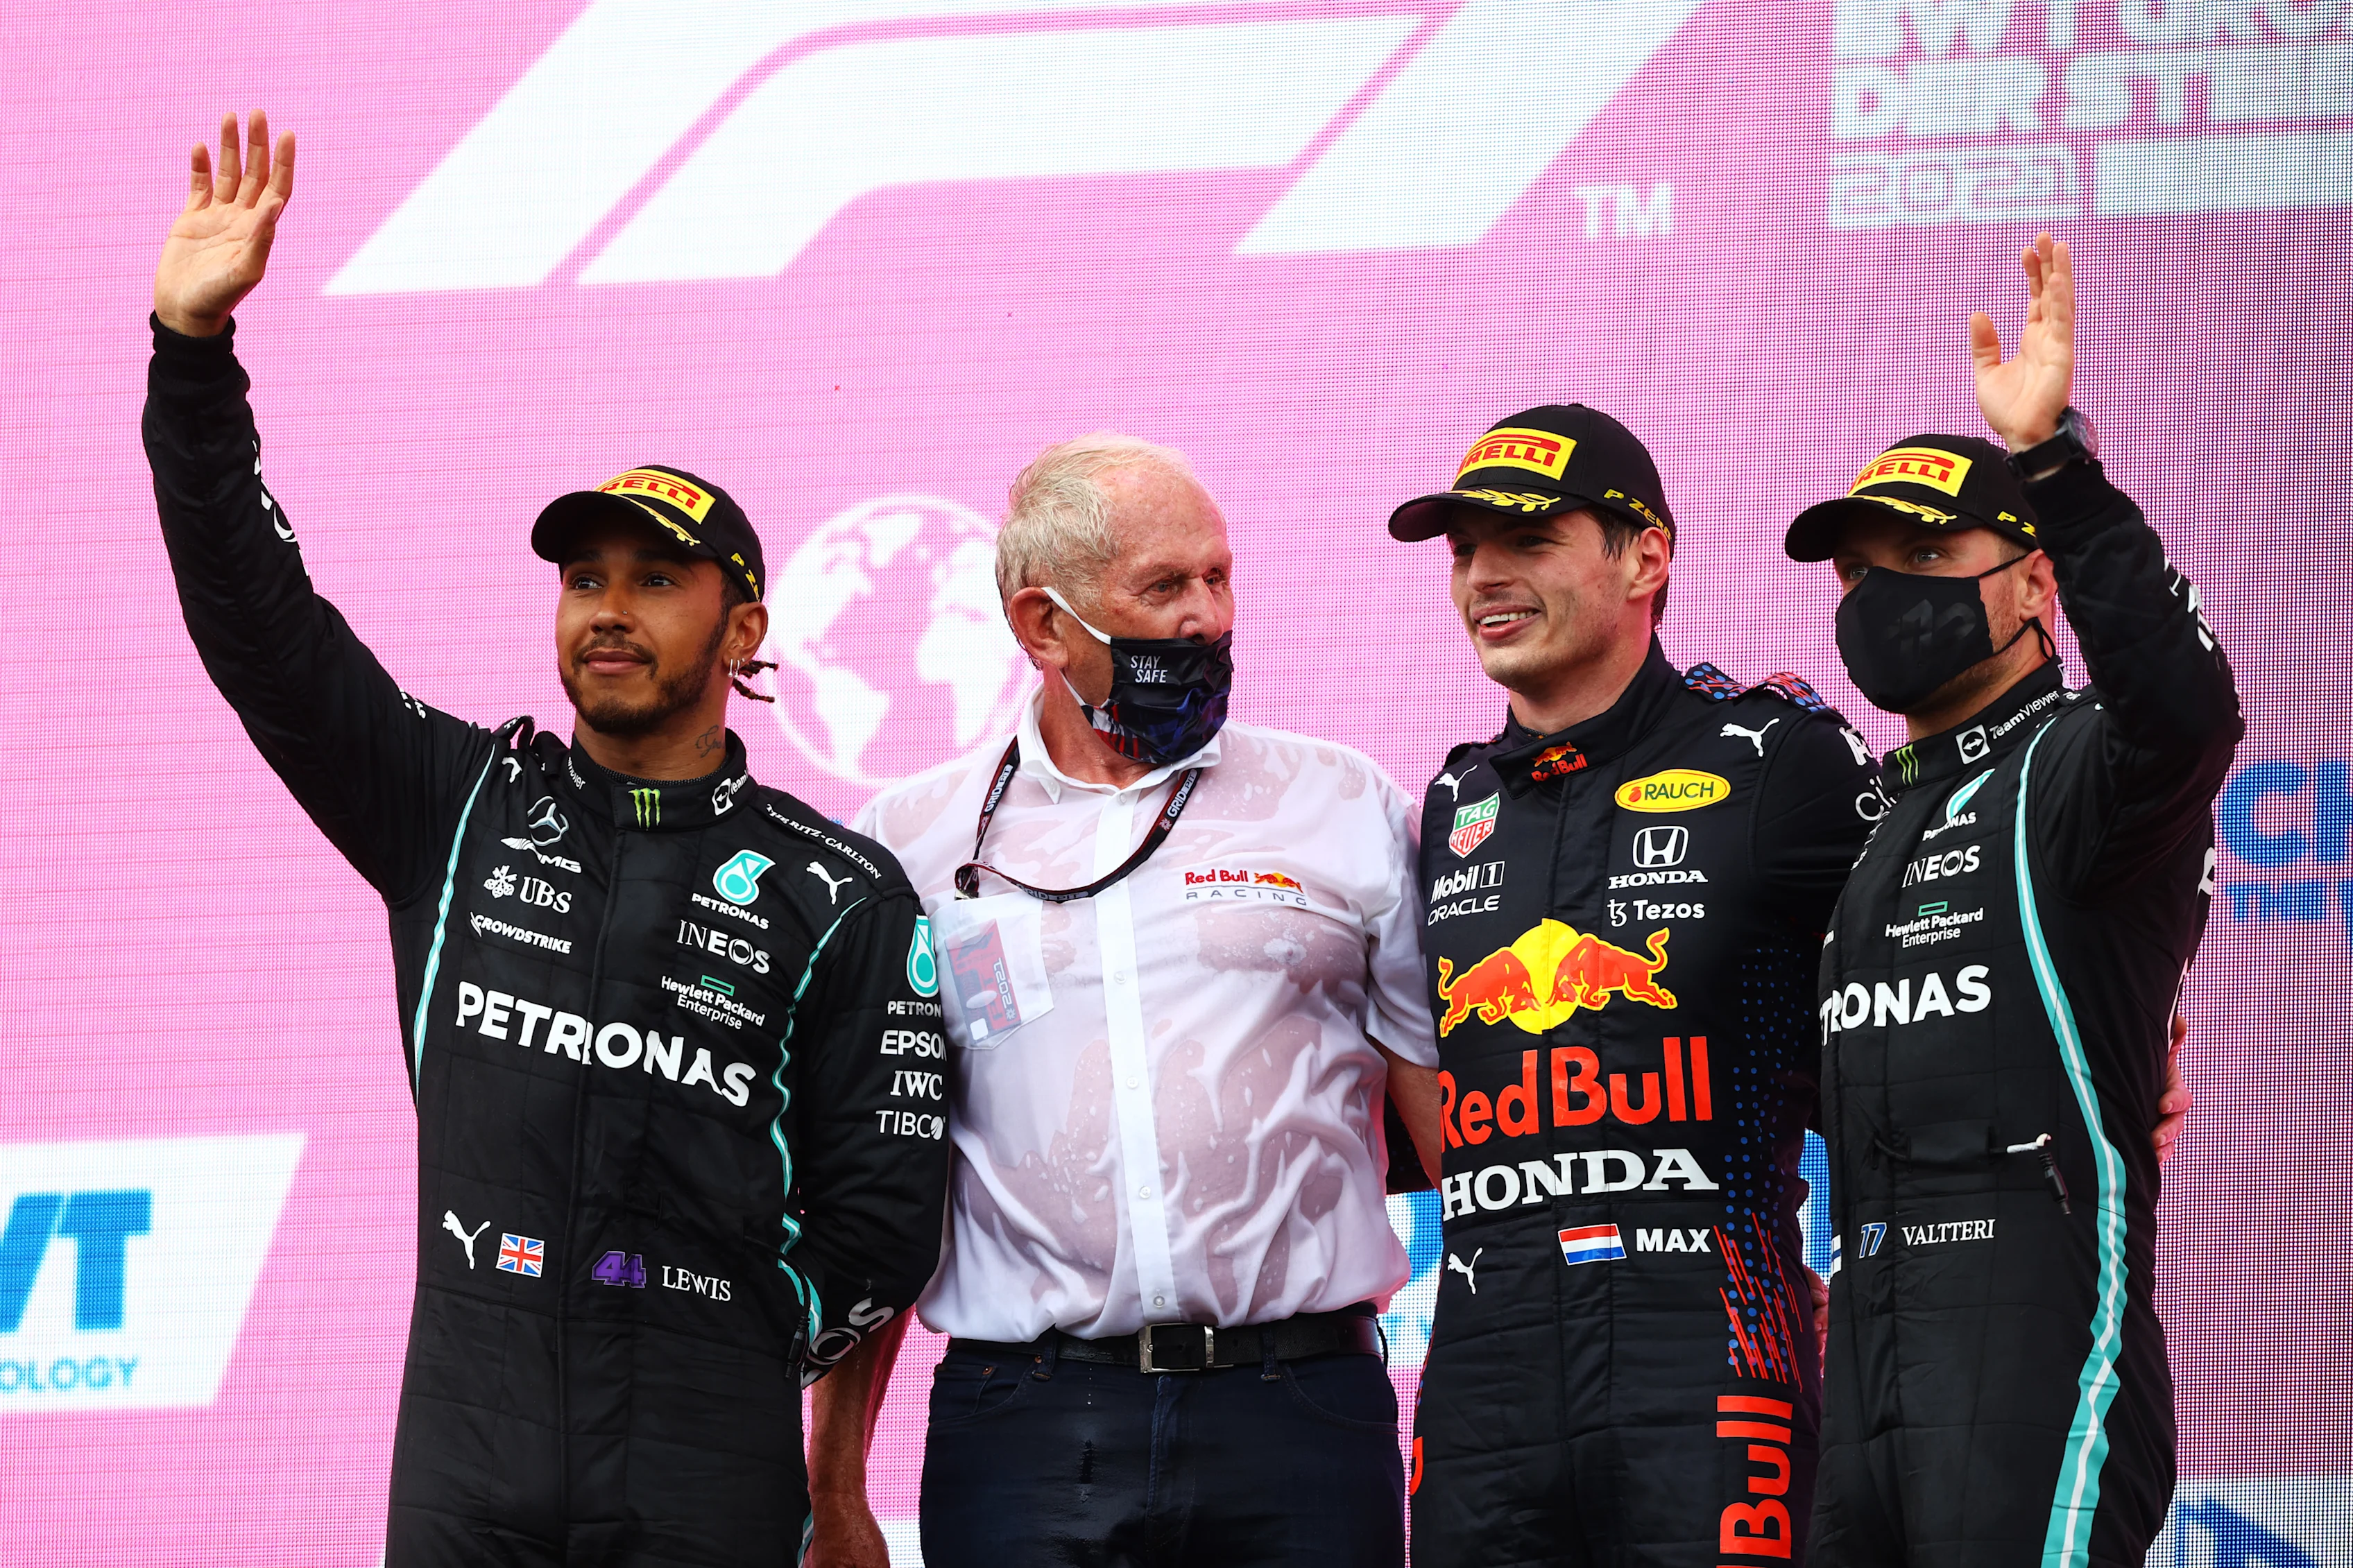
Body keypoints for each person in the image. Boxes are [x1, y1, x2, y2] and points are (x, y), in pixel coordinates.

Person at [144, 112, 950, 1565]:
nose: (608, 608)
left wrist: (728, 1321)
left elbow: (887, 1215)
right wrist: (192, 360)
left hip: (704, 1453)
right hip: (467, 1444)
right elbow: (256, 620)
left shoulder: (842, 894)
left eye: (655, 577)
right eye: (585, 575)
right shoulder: (454, 803)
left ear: (745, 626)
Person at [803, 433, 1442, 1568]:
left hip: (1303, 1410)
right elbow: (881, 1178)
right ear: (1043, 625)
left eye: (1219, 576)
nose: (1207, 615)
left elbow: (1450, 1129)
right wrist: (835, 1487)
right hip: (1027, 1425)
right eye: (1163, 587)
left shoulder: (1343, 802)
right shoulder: (908, 843)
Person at [1789, 234, 2239, 1567]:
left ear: (2036, 582)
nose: (1883, 596)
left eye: (1926, 558)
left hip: (2033, 1326)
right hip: (1862, 1328)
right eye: (1860, 572)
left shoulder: (2089, 764)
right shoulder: (1873, 816)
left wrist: (2056, 465)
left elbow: (2186, 707)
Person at [1386, 405, 1885, 1567]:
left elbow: (1943, 949)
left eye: (1526, 542)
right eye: (1464, 552)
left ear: (1645, 555)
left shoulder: (1775, 758)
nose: (1484, 579)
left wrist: (2143, 1033)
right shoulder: (1455, 805)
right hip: (1484, 1353)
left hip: (1708, 1336)